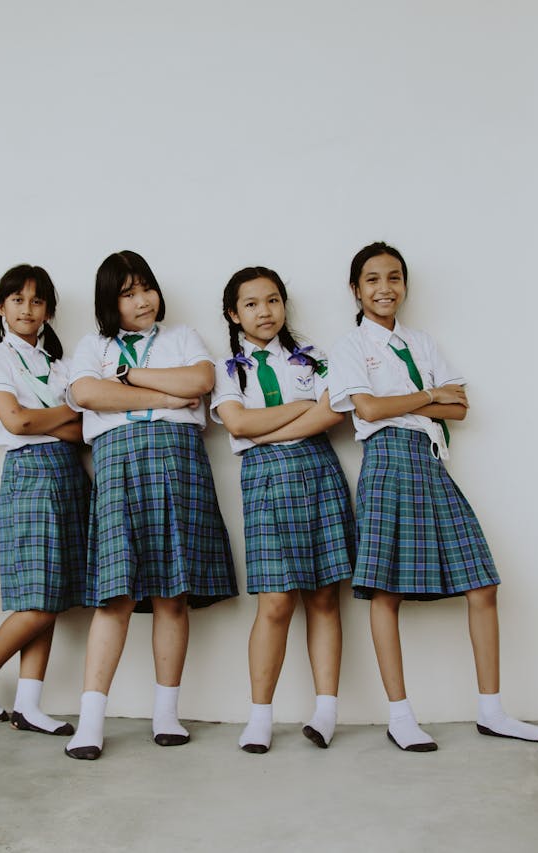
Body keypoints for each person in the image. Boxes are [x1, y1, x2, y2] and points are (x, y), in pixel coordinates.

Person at [327, 241, 538, 751]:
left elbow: (462, 408)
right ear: (355, 289)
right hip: (385, 463)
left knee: (482, 585)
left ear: (404, 285)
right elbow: (367, 409)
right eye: (372, 279)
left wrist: (409, 403)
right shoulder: (348, 348)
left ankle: (492, 710)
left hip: (430, 464)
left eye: (393, 278)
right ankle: (400, 716)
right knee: (386, 592)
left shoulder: (423, 343)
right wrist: (430, 396)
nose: (384, 288)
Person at [63, 250, 238, 760]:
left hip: (180, 463)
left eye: (147, 288)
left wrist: (130, 379)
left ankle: (166, 714)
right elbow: (86, 393)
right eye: (127, 292)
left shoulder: (183, 337)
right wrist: (164, 397)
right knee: (114, 596)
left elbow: (200, 382)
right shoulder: (92, 344)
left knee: (172, 593)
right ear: (109, 302)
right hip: (117, 465)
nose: (142, 301)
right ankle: (91, 721)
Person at [211, 267, 355, 754]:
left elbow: (335, 408)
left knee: (323, 596)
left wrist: (262, 430)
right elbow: (236, 420)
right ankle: (259, 717)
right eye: (251, 304)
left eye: (273, 300)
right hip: (265, 483)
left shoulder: (312, 357)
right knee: (274, 602)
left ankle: (326, 711)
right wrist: (300, 410)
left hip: (318, 472)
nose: (264, 311)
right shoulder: (228, 369)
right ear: (234, 314)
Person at [0, 264, 90, 736]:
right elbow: (15, 422)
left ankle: (28, 705)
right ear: (2, 307)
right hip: (29, 475)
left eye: (37, 301)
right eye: (17, 299)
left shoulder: (61, 365)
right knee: (36, 597)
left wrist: (52, 419)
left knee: (53, 597)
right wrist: (65, 412)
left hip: (69, 475)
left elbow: (83, 432)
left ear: (49, 311)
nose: (27, 308)